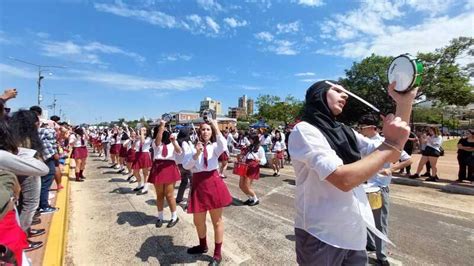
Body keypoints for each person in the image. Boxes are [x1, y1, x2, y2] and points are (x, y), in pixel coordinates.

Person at [288, 80, 415, 265]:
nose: (345, 95)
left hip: (354, 232)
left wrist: (404, 103)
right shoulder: (304, 130)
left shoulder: (346, 131)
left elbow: (390, 153)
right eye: (337, 90)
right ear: (318, 94)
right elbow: (343, 180)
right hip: (320, 234)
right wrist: (389, 144)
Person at [357, 115, 412, 265]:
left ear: (372, 128)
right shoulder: (361, 143)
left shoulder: (385, 142)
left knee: (380, 223)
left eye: (362, 127)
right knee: (363, 218)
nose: (360, 130)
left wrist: (392, 168)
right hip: (363, 187)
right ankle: (370, 243)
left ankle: (382, 257)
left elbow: (408, 159)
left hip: (379, 188)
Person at [183, 118, 232, 266]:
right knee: (198, 221)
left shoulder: (216, 146)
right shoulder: (192, 147)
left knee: (217, 221)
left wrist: (216, 126)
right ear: (199, 131)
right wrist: (196, 154)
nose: (205, 132)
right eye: (203, 129)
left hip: (213, 183)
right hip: (198, 184)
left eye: (208, 129)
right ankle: (202, 245)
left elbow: (224, 145)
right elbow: (186, 166)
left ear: (211, 132)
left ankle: (217, 255)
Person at [148, 121, 181, 228]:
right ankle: (160, 217)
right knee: (160, 195)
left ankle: (174, 216)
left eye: (166, 129)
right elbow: (158, 142)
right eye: (162, 130)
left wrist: (174, 142)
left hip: (169, 167)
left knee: (170, 195)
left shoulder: (172, 142)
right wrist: (162, 126)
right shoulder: (155, 142)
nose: (165, 130)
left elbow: (179, 152)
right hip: (158, 167)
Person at [30, 106, 59, 214]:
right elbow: (50, 142)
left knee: (39, 181)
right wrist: (55, 153)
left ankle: (41, 203)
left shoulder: (28, 127)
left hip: (35, 156)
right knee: (46, 179)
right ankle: (43, 205)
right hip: (46, 156)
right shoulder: (46, 126)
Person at [238, 134, 266, 206]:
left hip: (253, 168)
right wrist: (241, 158)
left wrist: (259, 160)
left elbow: (264, 160)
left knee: (247, 186)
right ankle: (250, 198)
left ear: (254, 139)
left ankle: (255, 199)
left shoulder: (260, 148)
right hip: (245, 167)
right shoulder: (249, 147)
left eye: (250, 139)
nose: (249, 140)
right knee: (241, 185)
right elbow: (245, 157)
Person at [175, 126, 193, 208]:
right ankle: (189, 203)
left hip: (179, 165)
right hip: (186, 165)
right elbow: (188, 154)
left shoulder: (177, 142)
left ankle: (179, 198)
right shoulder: (185, 143)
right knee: (193, 183)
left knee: (184, 182)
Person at [131, 126, 153, 195]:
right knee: (135, 171)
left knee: (145, 173)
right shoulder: (139, 138)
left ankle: (145, 187)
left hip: (144, 154)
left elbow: (143, 142)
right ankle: (140, 184)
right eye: (142, 130)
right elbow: (132, 147)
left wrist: (142, 134)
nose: (142, 131)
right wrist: (135, 140)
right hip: (137, 154)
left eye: (144, 130)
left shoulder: (149, 138)